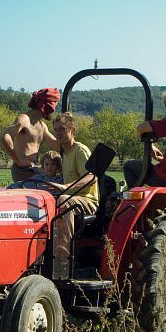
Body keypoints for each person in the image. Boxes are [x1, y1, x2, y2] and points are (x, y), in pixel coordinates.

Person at [51, 112, 99, 278]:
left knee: (64, 200)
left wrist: (65, 186)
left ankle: (63, 257)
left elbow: (91, 177)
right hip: (72, 198)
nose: (58, 133)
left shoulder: (80, 150)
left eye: (62, 129)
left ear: (72, 130)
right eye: (56, 129)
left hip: (87, 200)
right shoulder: (64, 153)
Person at [1, 87, 60, 182]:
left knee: (58, 179)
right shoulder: (25, 119)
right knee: (52, 183)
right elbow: (5, 137)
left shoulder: (42, 126)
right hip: (23, 170)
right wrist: (18, 160)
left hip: (32, 167)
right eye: (54, 104)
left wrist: (67, 134)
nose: (54, 109)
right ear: (46, 105)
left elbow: (56, 145)